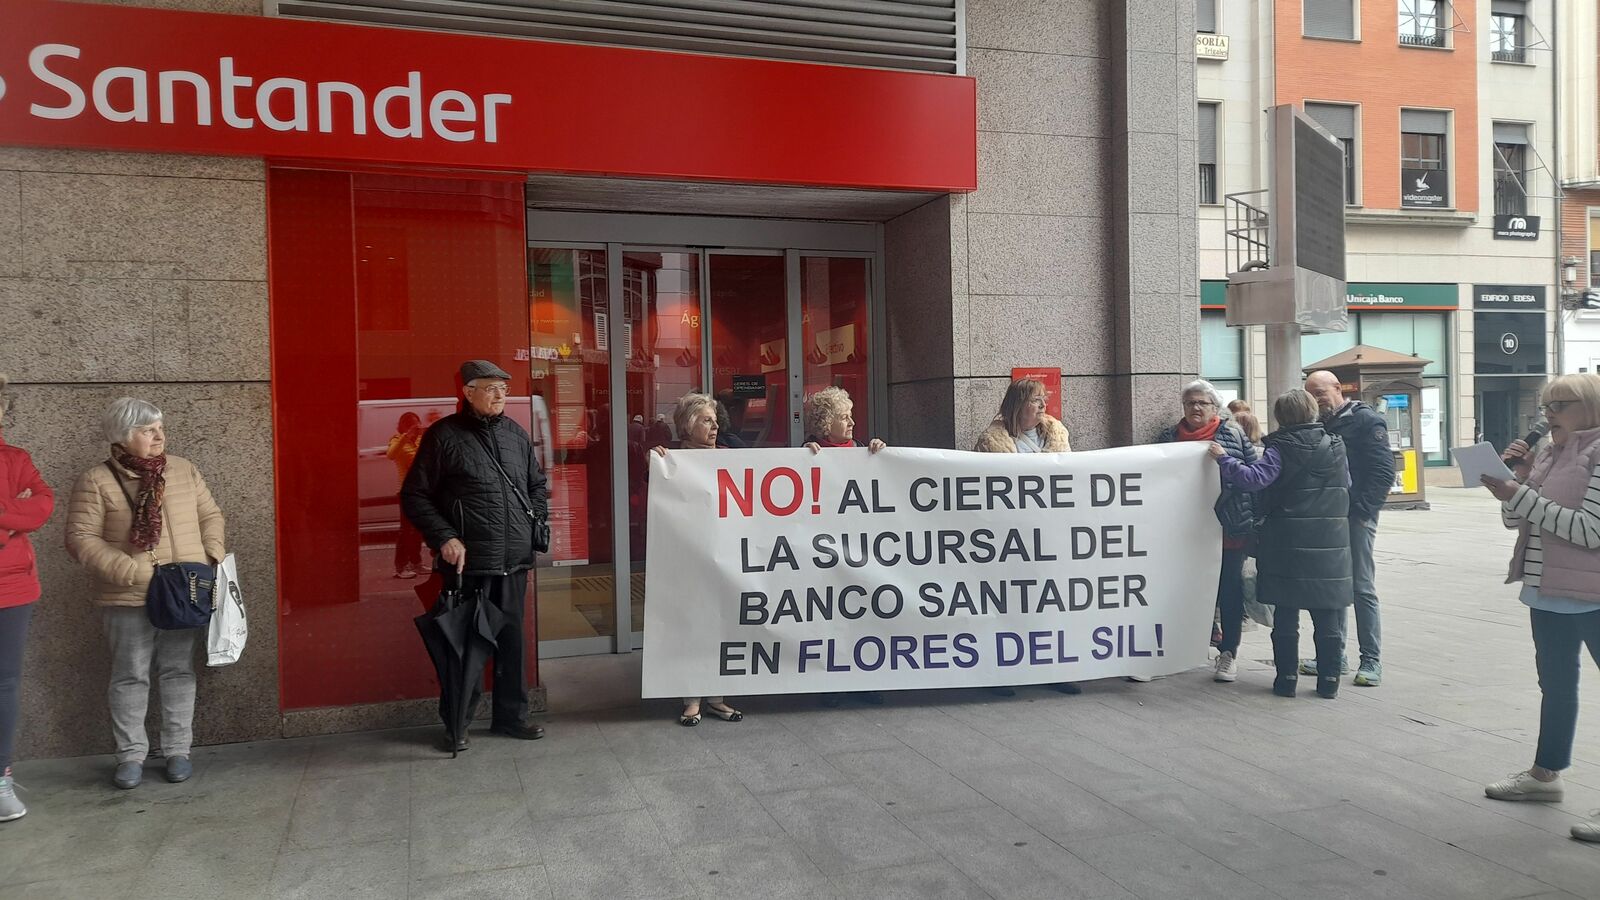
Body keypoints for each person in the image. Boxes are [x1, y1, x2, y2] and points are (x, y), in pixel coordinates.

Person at [65, 398, 226, 789]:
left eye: (160, 428)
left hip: (182, 593)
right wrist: (130, 569)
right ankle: (131, 755)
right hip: (127, 595)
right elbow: (79, 538)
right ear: (123, 436)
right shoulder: (97, 479)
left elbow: (211, 516)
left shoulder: (184, 470)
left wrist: (209, 557)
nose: (159, 436)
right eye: (147, 430)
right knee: (129, 675)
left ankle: (177, 750)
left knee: (178, 671)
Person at [401, 361, 549, 751]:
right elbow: (415, 495)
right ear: (468, 392)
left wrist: (535, 524)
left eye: (504, 388)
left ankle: (511, 718)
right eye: (491, 388)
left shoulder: (516, 436)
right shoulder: (444, 436)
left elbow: (536, 486)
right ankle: (457, 725)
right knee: (463, 648)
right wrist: (445, 537)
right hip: (468, 564)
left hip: (514, 560)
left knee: (513, 645)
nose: (500, 395)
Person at [1479, 374, 1600, 843]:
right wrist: (1520, 479)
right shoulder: (1548, 451)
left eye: (1558, 406)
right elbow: (1517, 520)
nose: (1547, 416)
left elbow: (1591, 530)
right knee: (1555, 685)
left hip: (1592, 594)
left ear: (1588, 406)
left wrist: (1521, 495)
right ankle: (1545, 775)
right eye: (1546, 407)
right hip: (1546, 589)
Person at [1210, 389, 1351, 699]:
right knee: (1327, 615)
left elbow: (1253, 479)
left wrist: (1224, 460)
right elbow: (1347, 486)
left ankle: (1286, 679)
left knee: (1286, 616)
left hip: (1286, 541)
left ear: (1281, 417)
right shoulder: (1336, 444)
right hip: (1331, 541)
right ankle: (1329, 682)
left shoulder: (1280, 448)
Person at [974, 377, 1079, 695]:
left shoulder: (1057, 435)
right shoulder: (991, 440)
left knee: (1048, 603)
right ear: (1018, 404)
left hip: (1048, 537)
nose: (1042, 405)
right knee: (1008, 606)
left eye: (1043, 399)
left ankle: (1053, 667)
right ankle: (1003, 672)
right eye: (1035, 399)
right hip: (1009, 539)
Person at [651, 392, 745, 726]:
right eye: (706, 419)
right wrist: (658, 464)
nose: (715, 425)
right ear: (687, 425)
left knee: (721, 625)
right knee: (691, 624)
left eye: (715, 419)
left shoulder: (731, 456)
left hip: (724, 558)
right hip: (688, 560)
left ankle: (717, 698)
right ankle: (691, 699)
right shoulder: (670, 461)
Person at [1158, 380, 1256, 684]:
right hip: (1183, 531)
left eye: (1202, 403)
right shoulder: (1168, 438)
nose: (1196, 408)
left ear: (1215, 408)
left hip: (1227, 529)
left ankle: (1228, 654)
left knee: (1229, 591)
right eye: (1190, 403)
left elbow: (1252, 476)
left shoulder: (1232, 434)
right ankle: (1177, 651)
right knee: (1179, 590)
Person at [1302, 370, 1394, 687]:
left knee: (1361, 587)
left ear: (1337, 389)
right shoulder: (1319, 422)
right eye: (1310, 394)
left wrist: (1364, 513)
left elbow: (1384, 472)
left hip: (1356, 517)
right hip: (1328, 517)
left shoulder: (1366, 421)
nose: (1315, 399)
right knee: (1332, 585)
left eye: (1319, 393)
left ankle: (1371, 660)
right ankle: (1335, 656)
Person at [802, 386, 886, 707]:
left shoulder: (865, 450)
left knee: (861, 614)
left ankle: (863, 680)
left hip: (858, 551)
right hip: (824, 554)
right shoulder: (808, 453)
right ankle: (831, 680)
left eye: (851, 416)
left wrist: (882, 452)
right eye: (843, 417)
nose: (851, 422)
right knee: (830, 618)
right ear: (826, 423)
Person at [0, 376, 54, 821]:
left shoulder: (15, 458)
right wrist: (12, 520)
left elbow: (43, 503)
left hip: (12, 586)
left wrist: (4, 517)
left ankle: (0, 778)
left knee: (5, 682)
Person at [386, 411, 426, 579]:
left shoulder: (418, 441)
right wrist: (406, 436)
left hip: (421, 491)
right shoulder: (397, 440)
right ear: (404, 426)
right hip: (406, 491)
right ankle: (400, 567)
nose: (416, 429)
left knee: (418, 530)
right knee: (406, 530)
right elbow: (391, 455)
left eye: (417, 425)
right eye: (412, 426)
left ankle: (416, 563)